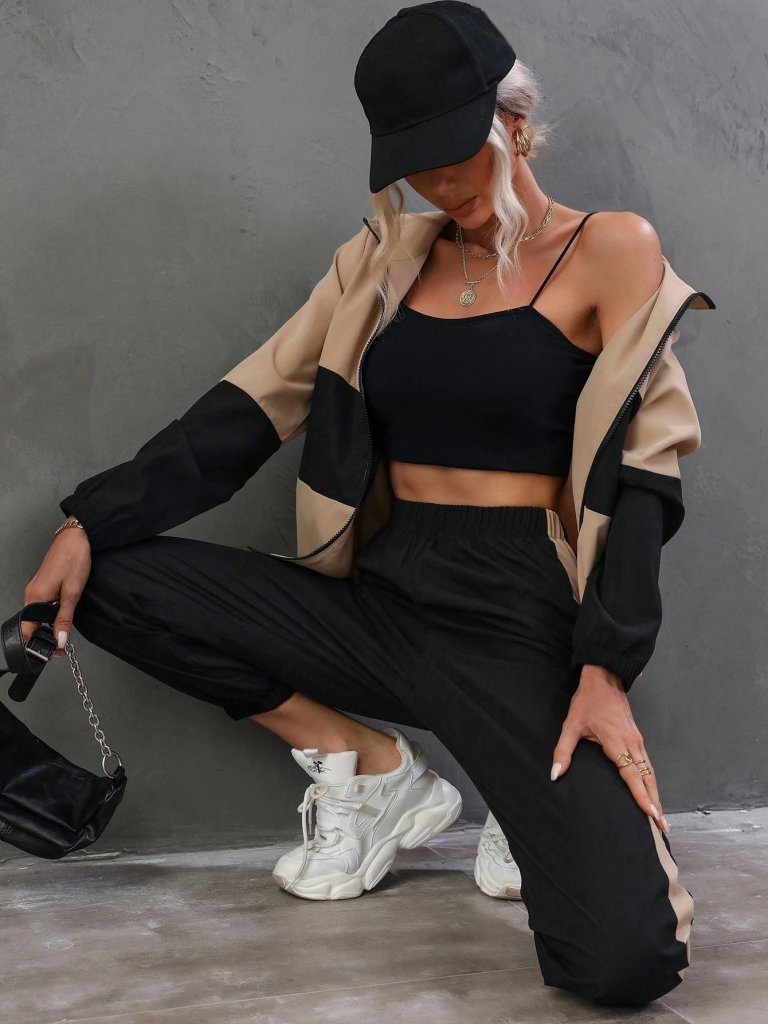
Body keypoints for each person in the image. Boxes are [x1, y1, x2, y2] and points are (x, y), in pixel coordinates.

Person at [21, 1, 716, 1009]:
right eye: (415, 163)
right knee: (113, 578)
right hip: (381, 603)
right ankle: (373, 765)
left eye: (455, 153)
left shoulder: (610, 248)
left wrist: (606, 671)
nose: (438, 183)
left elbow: (648, 476)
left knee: (623, 963)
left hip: (518, 628)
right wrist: (88, 522)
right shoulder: (383, 261)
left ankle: (522, 799)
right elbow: (248, 410)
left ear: (514, 122)